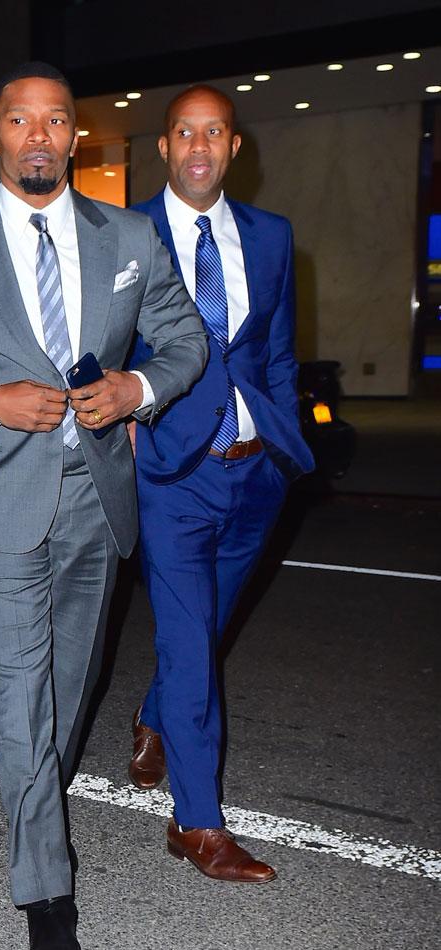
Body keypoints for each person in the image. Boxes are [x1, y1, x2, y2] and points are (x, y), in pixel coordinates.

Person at [0, 62, 207, 950]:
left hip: (96, 501)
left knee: (71, 686)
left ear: (76, 138)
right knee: (20, 694)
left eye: (54, 121)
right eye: (17, 122)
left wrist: (134, 387)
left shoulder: (129, 236)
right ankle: (44, 891)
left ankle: (34, 792)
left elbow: (184, 341)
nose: (37, 135)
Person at [127, 85, 314, 881]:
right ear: (163, 148)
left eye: (215, 133)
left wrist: (282, 446)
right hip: (171, 474)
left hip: (253, 475)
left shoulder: (272, 237)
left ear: (234, 148)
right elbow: (91, 344)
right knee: (192, 648)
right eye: (183, 133)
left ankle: (149, 714)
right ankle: (196, 826)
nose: (199, 147)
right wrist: (121, 413)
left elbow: (274, 351)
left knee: (200, 632)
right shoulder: (125, 235)